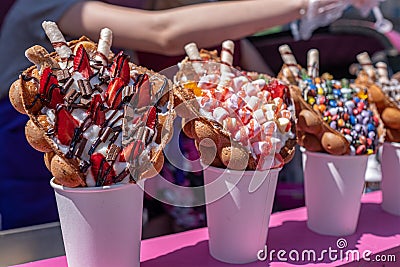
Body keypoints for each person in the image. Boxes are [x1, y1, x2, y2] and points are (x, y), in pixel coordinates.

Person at [0, 0, 381, 230]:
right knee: (47, 247)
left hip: (111, 155)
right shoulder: (47, 5)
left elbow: (242, 65)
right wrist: (309, 3)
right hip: (35, 154)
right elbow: (163, 31)